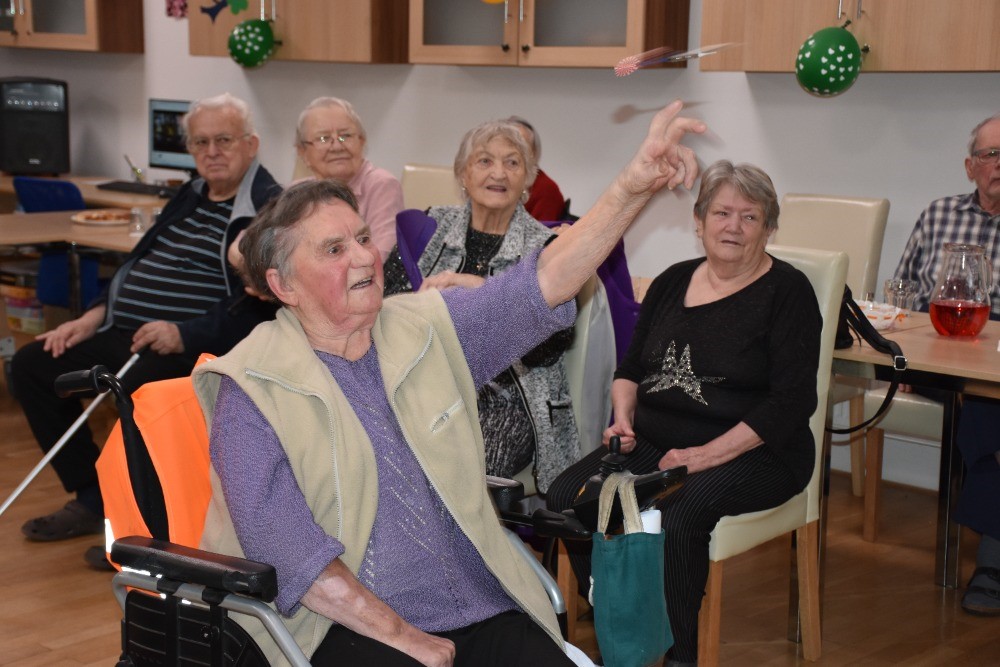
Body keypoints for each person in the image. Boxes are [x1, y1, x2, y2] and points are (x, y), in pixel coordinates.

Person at [191, 100, 705, 667]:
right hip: (336, 625)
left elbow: (546, 281)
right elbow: (291, 556)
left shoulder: (425, 327)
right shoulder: (251, 387)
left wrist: (633, 186)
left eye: (362, 238)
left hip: (475, 601)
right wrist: (408, 638)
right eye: (334, 250)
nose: (364, 257)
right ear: (283, 285)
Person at [547, 160, 822, 666]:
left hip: (758, 451)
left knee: (677, 515)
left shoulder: (788, 293)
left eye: (750, 216)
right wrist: (623, 416)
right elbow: (631, 368)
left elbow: (791, 403)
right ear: (698, 221)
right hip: (657, 441)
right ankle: (619, 613)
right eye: (721, 213)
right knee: (570, 496)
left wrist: (703, 456)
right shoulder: (673, 281)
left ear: (769, 228)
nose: (733, 226)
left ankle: (679, 655)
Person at [11, 93, 281, 564]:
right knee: (33, 365)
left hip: (195, 346)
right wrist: (91, 317)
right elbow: (134, 267)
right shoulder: (189, 195)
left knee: (138, 393)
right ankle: (93, 497)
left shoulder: (269, 208)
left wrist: (184, 333)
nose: (212, 152)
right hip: (129, 332)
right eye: (200, 143)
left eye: (223, 140)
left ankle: (143, 530)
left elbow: (255, 306)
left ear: (251, 144)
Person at [383, 119, 578, 493]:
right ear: (463, 173)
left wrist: (482, 291)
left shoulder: (546, 248)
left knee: (454, 470)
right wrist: (421, 305)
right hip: (423, 390)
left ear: (527, 179)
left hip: (509, 401)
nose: (499, 173)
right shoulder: (428, 227)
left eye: (512, 162)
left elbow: (553, 345)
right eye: (485, 161)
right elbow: (385, 310)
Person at [892, 111, 1000, 617]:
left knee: (984, 404)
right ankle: (993, 561)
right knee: (982, 405)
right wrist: (904, 363)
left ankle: (991, 560)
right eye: (991, 154)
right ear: (970, 166)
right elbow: (902, 294)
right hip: (938, 360)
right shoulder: (938, 215)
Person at [295, 96, 404, 261]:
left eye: (345, 135)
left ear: (362, 141)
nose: (337, 146)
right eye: (324, 138)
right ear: (302, 152)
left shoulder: (382, 185)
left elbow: (380, 257)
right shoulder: (296, 193)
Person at [506, 115, 567, 222]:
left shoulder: (546, 189)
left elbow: (540, 232)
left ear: (533, 152)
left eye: (521, 146)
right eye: (507, 144)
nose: (512, 151)